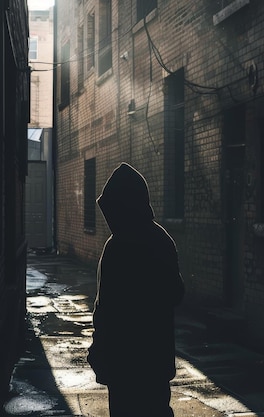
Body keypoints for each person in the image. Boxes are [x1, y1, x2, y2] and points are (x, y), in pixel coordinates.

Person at [87, 162, 185, 417]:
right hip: (155, 361)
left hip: (123, 364)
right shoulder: (161, 240)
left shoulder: (116, 248)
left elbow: (105, 308)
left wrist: (98, 351)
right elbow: (176, 293)